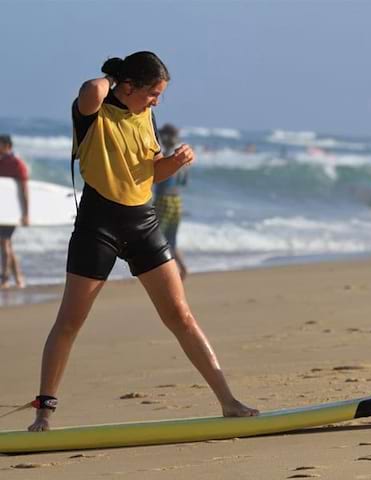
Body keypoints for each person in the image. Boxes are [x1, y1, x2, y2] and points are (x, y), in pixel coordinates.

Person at [28, 51, 258, 432]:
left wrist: (177, 162)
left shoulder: (146, 117)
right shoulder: (92, 112)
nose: (157, 102)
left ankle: (228, 401)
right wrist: (115, 79)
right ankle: (44, 414)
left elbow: (151, 174)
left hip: (143, 224)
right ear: (129, 87)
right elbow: (91, 88)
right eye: (153, 93)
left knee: (180, 316)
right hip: (97, 227)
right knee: (69, 322)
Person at [154, 123, 188, 279]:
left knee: (157, 238)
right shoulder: (183, 156)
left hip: (164, 200)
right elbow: (183, 182)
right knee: (171, 240)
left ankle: (165, 273)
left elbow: (159, 179)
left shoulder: (167, 154)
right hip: (177, 201)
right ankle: (181, 268)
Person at [0, 134, 29, 289]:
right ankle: (19, 278)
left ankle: (5, 279)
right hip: (1, 210)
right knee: (7, 245)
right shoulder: (1, 161)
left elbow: (25, 190)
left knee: (4, 242)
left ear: (7, 146)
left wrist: (26, 214)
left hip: (12, 211)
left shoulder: (17, 163)